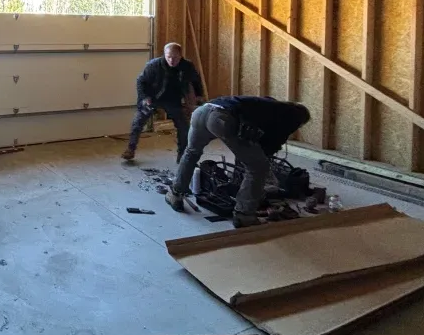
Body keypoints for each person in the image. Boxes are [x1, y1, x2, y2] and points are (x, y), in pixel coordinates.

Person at [165, 96, 311, 228]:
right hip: (221, 118)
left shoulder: (271, 105)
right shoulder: (292, 118)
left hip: (202, 112)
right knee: (258, 167)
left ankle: (175, 194)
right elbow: (271, 144)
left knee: (191, 153)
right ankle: (244, 214)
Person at [122, 42, 204, 162]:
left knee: (183, 126)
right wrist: (145, 97)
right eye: (168, 56)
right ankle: (131, 149)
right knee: (138, 122)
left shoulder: (187, 66)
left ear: (180, 56)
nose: (171, 60)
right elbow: (140, 82)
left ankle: (182, 156)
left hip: (172, 99)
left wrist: (199, 95)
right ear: (164, 54)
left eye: (175, 57)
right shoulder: (154, 65)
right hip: (152, 97)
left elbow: (196, 81)